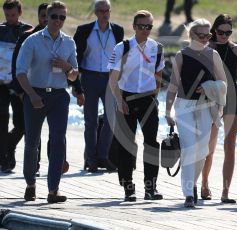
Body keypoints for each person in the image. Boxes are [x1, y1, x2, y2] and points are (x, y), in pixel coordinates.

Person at [16, 1, 78, 203]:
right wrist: (32, 95)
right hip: (36, 93)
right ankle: (30, 183)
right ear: (46, 18)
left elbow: (74, 76)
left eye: (62, 17)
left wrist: (68, 67)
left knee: (59, 141)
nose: (58, 21)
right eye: (54, 17)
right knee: (32, 142)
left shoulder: (69, 42)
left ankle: (53, 189)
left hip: (59, 96)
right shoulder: (32, 41)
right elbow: (20, 72)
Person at [165, 18, 227, 208]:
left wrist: (208, 87)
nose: (206, 38)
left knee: (202, 150)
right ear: (191, 35)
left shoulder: (213, 54)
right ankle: (189, 193)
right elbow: (173, 85)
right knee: (189, 148)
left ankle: (192, 183)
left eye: (209, 35)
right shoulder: (181, 55)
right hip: (184, 106)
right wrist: (168, 111)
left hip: (206, 107)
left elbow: (223, 83)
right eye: (202, 35)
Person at [108, 10, 165, 202]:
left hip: (148, 99)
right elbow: (113, 79)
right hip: (125, 97)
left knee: (151, 143)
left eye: (149, 26)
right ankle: (128, 188)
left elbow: (159, 76)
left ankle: (151, 187)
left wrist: (155, 97)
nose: (145, 30)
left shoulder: (157, 48)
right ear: (134, 27)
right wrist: (119, 100)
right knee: (126, 144)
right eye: (141, 26)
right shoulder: (122, 47)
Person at [73, 0, 123, 173]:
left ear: (110, 11)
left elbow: (121, 57)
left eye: (107, 10)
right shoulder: (84, 30)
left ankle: (103, 156)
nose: (104, 13)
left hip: (110, 79)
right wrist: (76, 85)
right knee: (91, 121)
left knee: (111, 120)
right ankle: (91, 159)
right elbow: (76, 58)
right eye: (100, 10)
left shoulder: (118, 30)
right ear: (95, 12)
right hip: (90, 77)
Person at [201, 14, 237, 203]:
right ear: (214, 31)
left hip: (232, 98)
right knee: (209, 146)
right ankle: (204, 184)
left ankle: (225, 192)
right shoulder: (205, 48)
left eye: (228, 32)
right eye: (220, 32)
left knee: (230, 146)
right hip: (211, 98)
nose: (224, 35)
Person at [0, 0, 33, 173]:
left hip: (19, 83)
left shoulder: (28, 31)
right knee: (2, 117)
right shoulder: (0, 29)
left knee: (21, 123)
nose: (10, 18)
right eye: (7, 15)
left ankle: (8, 146)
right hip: (1, 84)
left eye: (13, 15)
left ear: (19, 13)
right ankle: (4, 158)